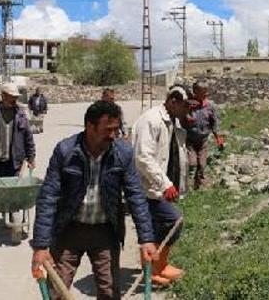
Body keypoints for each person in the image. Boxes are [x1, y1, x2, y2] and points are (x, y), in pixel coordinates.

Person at [30, 101, 158, 300]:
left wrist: (147, 239)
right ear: (90, 126)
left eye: (116, 129)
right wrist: (40, 246)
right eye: (108, 129)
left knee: (109, 292)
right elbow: (48, 197)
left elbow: (136, 196)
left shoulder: (122, 153)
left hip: (105, 233)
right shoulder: (65, 151)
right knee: (57, 292)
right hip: (69, 232)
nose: (113, 135)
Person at [131, 84, 196, 285]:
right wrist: (165, 184)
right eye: (186, 106)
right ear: (173, 101)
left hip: (157, 186)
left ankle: (157, 267)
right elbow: (143, 157)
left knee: (159, 226)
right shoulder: (151, 120)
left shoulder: (172, 120)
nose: (188, 110)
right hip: (146, 187)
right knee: (171, 221)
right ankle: (154, 269)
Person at [186, 83, 223, 190]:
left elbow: (215, 123)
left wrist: (219, 139)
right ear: (195, 92)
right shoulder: (188, 105)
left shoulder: (210, 106)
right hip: (190, 140)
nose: (206, 94)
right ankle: (187, 183)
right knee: (192, 163)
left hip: (203, 140)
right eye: (203, 92)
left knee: (202, 164)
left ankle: (198, 184)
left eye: (206, 91)